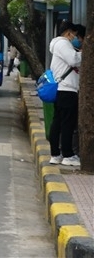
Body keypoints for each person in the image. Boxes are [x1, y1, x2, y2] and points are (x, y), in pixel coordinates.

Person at [47, 21, 82, 167]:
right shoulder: (63, 44)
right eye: (75, 35)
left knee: (58, 122)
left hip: (62, 89)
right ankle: (68, 155)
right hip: (67, 89)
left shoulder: (57, 45)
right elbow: (73, 60)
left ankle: (56, 154)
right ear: (68, 32)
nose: (76, 38)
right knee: (67, 124)